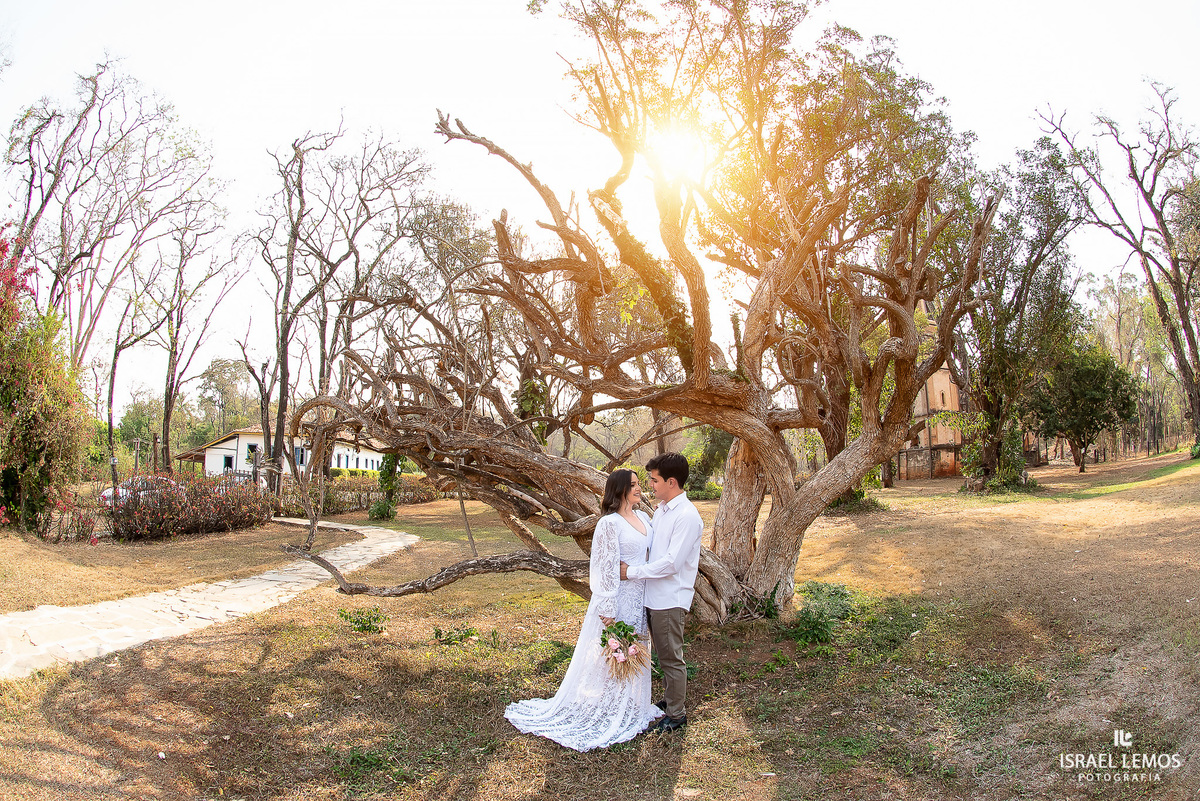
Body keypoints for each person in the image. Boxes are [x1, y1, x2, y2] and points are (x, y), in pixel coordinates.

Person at [504, 469, 663, 750]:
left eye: (640, 484)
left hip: (641, 597)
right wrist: (607, 607)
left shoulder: (643, 518)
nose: (640, 489)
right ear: (620, 490)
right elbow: (603, 568)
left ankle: (632, 705)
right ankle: (610, 707)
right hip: (618, 597)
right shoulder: (609, 524)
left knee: (636, 649)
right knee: (616, 654)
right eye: (634, 485)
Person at [621, 452, 703, 734]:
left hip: (669, 598)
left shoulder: (687, 515)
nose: (650, 486)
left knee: (671, 658)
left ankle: (677, 715)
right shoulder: (664, 510)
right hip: (654, 597)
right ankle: (670, 701)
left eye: (654, 480)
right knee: (663, 655)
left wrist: (630, 572)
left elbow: (671, 563)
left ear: (671, 481)